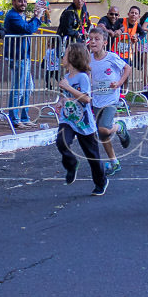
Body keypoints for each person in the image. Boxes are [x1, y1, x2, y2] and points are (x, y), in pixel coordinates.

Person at [55, 42, 108, 196]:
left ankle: (101, 181)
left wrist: (68, 88)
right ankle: (71, 164)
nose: (63, 57)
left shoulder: (83, 77)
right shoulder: (66, 77)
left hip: (83, 122)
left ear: (73, 57)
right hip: (68, 119)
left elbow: (86, 99)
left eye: (65, 54)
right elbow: (65, 97)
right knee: (61, 141)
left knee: (93, 156)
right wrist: (60, 102)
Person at [86, 28, 131, 176]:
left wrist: (118, 83)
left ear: (105, 42)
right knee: (103, 135)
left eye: (97, 39)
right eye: (91, 38)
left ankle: (119, 127)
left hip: (111, 99)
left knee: (104, 128)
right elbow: (87, 75)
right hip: (97, 99)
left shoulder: (111, 57)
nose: (93, 41)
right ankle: (114, 162)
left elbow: (127, 68)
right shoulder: (88, 59)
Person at [3, 0, 46, 128]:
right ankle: (15, 119)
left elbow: (27, 27)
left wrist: (34, 17)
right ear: (13, 2)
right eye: (20, 1)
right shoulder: (12, 16)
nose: (23, 4)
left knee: (28, 87)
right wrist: (37, 17)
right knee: (19, 89)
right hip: (17, 57)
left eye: (25, 1)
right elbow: (28, 29)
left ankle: (24, 117)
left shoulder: (19, 15)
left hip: (24, 56)